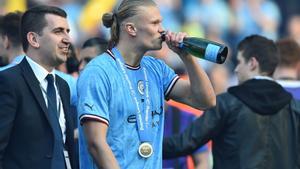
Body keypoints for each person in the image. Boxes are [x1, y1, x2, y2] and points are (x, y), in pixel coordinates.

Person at [77, 0, 216, 169]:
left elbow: (205, 101)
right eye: (155, 23)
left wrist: (187, 56)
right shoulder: (98, 71)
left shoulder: (156, 68)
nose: (162, 29)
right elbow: (96, 144)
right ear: (131, 28)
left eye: (161, 22)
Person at [163, 35, 300, 169]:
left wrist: (145, 145)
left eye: (239, 62)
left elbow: (184, 143)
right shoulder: (295, 107)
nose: (236, 69)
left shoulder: (226, 103)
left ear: (252, 63)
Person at [0, 5, 77, 169]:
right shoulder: (8, 81)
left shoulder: (63, 86)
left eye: (68, 31)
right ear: (33, 39)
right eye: (58, 31)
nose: (67, 39)